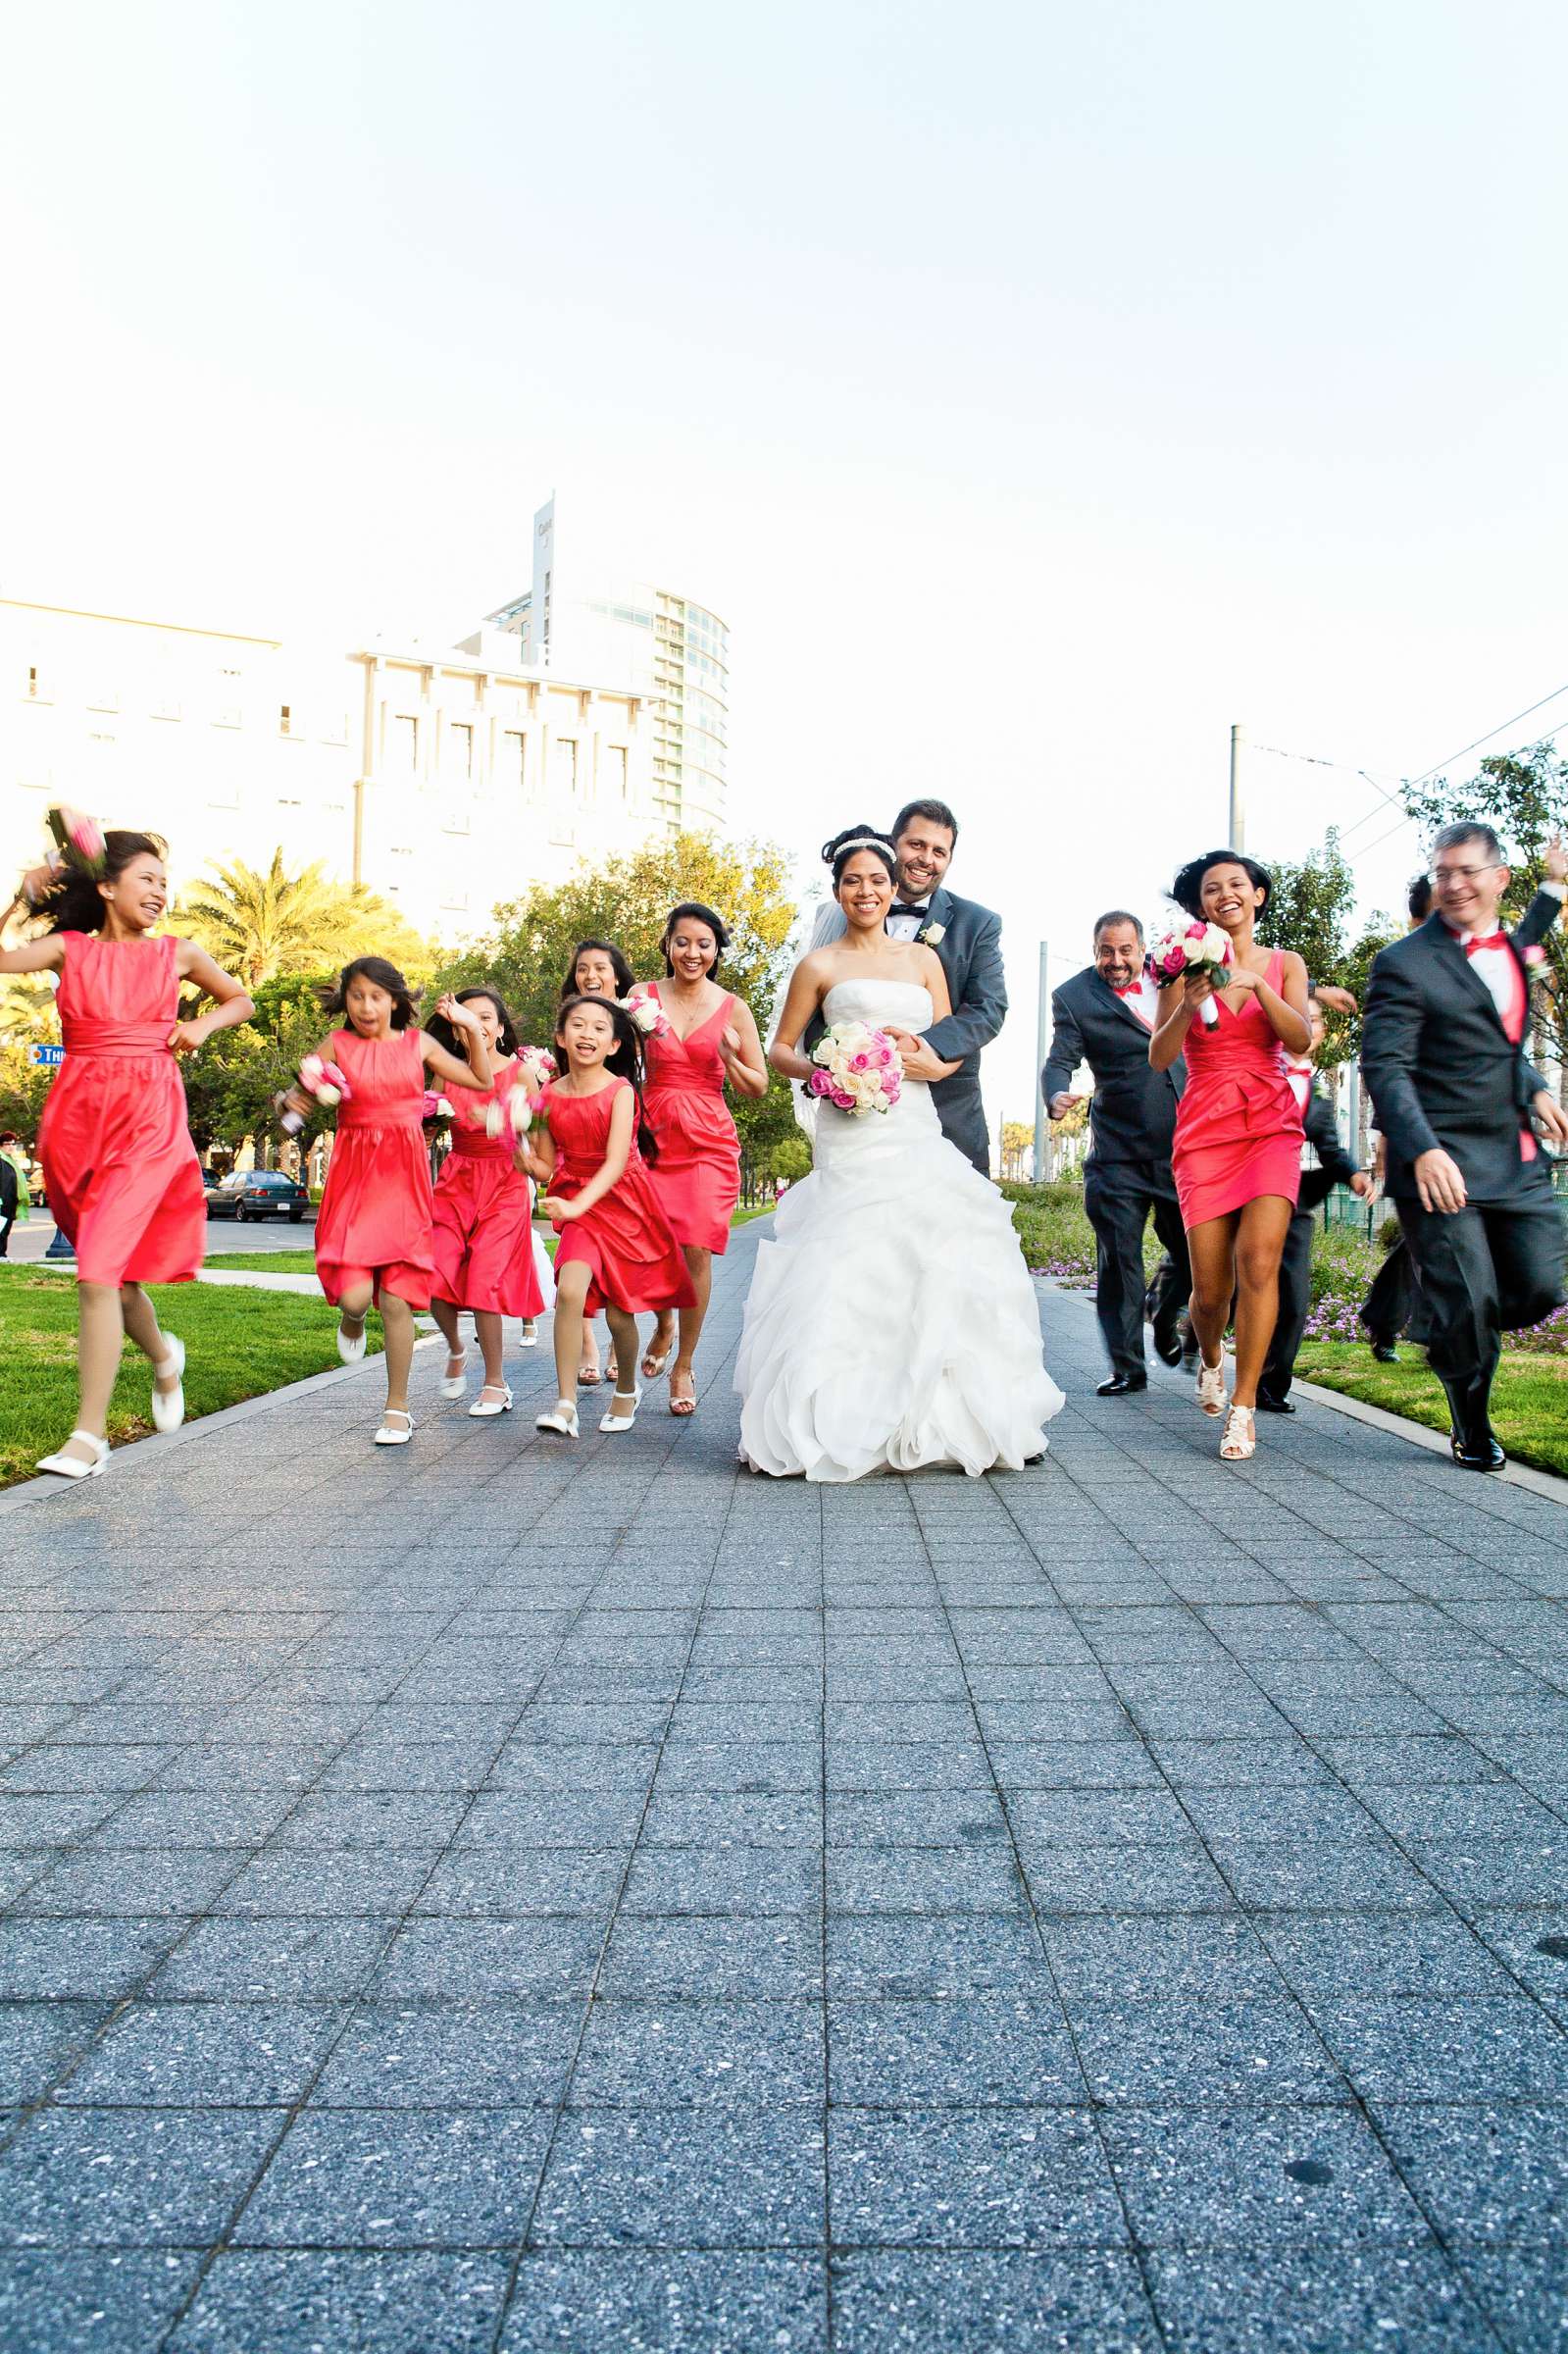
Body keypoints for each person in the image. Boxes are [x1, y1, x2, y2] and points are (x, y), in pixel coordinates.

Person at [738, 825, 1063, 1481]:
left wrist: (921, 1063)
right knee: (847, 1257)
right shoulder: (819, 965)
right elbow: (781, 1049)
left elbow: (944, 1050)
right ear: (837, 890)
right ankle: (837, 1412)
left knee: (932, 1251)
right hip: (849, 1127)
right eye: (853, 880)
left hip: (912, 1120)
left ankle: (934, 1416)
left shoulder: (922, 961)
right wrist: (825, 1072)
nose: (866, 890)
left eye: (877, 881)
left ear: (894, 889)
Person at [0, 829, 254, 1477]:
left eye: (164, 882)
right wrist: (18, 894)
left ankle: (88, 1437)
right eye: (146, 878)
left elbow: (240, 999)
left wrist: (201, 1024)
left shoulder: (178, 954)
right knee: (112, 1276)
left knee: (97, 1275)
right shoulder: (70, 950)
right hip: (77, 1122)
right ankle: (164, 1357)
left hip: (149, 1122)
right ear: (107, 887)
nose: (159, 891)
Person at [1361, 821, 1568, 1471]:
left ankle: (1448, 1319)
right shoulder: (1402, 963)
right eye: (1441, 872)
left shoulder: (1508, 951)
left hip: (1509, 1156)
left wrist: (1532, 1086)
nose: (1450, 885)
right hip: (1435, 1161)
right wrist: (1419, 1149)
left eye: (1465, 872)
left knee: (1539, 1285)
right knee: (1470, 1299)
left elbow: (1497, 1040)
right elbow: (1384, 1067)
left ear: (1497, 879)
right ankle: (1470, 1426)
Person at [1150, 849, 1311, 1463]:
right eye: (1212, 889)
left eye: (1237, 885)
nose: (1226, 896)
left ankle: (1244, 1410)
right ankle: (1211, 1357)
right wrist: (1188, 1004)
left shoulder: (1285, 964)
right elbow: (1159, 1058)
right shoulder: (1179, 969)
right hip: (1205, 1127)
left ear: (1258, 895)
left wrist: (1258, 988)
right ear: (1200, 905)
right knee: (1211, 1289)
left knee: (1259, 1262)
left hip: (1270, 1122)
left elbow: (1299, 1039)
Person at [295, 959, 493, 1447]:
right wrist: (302, 1098)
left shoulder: (418, 1045)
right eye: (357, 996)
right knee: (358, 1296)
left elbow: (481, 1081)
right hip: (354, 1180)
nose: (366, 1006)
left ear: (396, 1001)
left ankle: (398, 1407)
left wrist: (469, 1028)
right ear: (346, 1000)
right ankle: (351, 1316)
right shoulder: (338, 1045)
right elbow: (300, 1098)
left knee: (397, 1297)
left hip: (402, 1181)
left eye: (376, 996)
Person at [521, 995, 695, 1439]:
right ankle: (565, 1404)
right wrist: (515, 1142)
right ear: (561, 1037)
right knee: (570, 1289)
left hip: (625, 1204)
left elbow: (617, 1160)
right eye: (577, 1025)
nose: (587, 1034)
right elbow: (543, 1166)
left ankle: (627, 1388)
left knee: (620, 1314)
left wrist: (578, 1204)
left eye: (599, 1028)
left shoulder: (620, 1092)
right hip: (579, 1203)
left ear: (614, 1045)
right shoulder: (546, 1097)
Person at [805, 798, 1006, 1174]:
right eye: (916, 845)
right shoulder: (839, 913)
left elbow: (988, 1009)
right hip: (857, 1114)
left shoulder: (977, 923)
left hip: (950, 1110)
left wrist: (932, 1053)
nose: (926, 859)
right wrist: (838, 1062)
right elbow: (818, 1006)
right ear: (894, 843)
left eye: (939, 851)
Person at [1044, 910, 1189, 1396]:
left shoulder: (1174, 972)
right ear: (1094, 951)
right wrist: (1055, 1094)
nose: (1116, 960)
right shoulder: (1073, 997)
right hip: (1118, 1154)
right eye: (1106, 951)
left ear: (1142, 948)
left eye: (1125, 950)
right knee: (1120, 1259)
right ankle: (1129, 1367)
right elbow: (1059, 1058)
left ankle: (1166, 1309)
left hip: (1184, 1148)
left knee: (1193, 1255)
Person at [632, 902, 768, 1415]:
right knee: (650, 1243)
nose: (693, 952)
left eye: (704, 944)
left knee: (696, 1246)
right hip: (651, 1131)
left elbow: (757, 1086)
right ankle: (664, 1322)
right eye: (683, 942)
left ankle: (685, 1363)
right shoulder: (641, 998)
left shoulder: (733, 1008)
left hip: (708, 1138)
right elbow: (613, 1059)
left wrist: (731, 1055)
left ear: (716, 951)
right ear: (668, 945)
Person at [427, 987, 546, 1419]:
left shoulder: (520, 1073)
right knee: (434, 1270)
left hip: (504, 1182)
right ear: (458, 1032)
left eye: (486, 1018)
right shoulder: (448, 1072)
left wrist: (506, 1130)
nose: (477, 1024)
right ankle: (456, 1347)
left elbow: (536, 1136)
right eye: (467, 1018)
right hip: (456, 1180)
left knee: (483, 1280)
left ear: (499, 1028)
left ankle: (496, 1382)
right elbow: (430, 1127)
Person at [1255, 1003, 1372, 1413]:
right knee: (1223, 1287)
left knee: (1294, 1297)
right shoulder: (1255, 1068)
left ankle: (1270, 1385)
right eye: (1298, 1016)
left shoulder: (1318, 1096)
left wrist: (1355, 1174)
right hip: (1248, 1194)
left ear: (1321, 1032)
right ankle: (1189, 1325)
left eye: (1316, 1020)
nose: (1307, 1026)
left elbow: (1330, 1149)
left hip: (1296, 1205)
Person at [559, 938, 636, 1386]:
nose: (591, 975)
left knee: (626, 1283)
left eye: (600, 968)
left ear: (616, 974)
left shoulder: (635, 1020)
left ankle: (627, 1357)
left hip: (625, 1144)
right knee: (574, 1278)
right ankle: (584, 1346)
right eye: (582, 968)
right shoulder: (572, 1031)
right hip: (579, 1156)